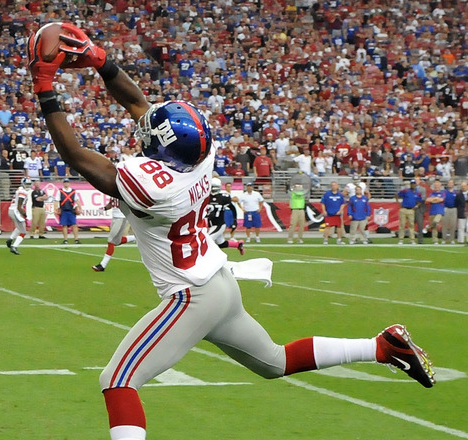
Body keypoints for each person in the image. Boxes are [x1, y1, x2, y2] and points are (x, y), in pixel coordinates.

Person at [28, 25, 434, 440]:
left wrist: (45, 85)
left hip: (191, 296)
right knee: (274, 362)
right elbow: (138, 104)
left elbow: (74, 155)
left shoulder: (153, 186)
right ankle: (382, 346)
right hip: (220, 283)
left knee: (117, 380)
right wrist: (102, 61)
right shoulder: (200, 156)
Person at [92, 196, 137, 271]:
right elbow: (111, 203)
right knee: (117, 241)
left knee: (111, 241)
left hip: (122, 217)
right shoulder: (113, 190)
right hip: (115, 217)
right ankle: (136, 237)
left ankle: (103, 265)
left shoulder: (123, 191)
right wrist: (104, 208)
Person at [206, 178, 244, 255]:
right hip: (211, 224)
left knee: (207, 240)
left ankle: (212, 258)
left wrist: (234, 220)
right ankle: (238, 244)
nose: (213, 189)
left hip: (219, 224)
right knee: (221, 243)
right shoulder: (206, 197)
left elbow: (232, 208)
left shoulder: (223, 197)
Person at [6, 177, 30, 255]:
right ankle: (14, 246)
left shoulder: (19, 190)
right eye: (27, 184)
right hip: (16, 211)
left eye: (29, 184)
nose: (28, 185)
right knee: (23, 231)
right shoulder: (23, 192)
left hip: (12, 210)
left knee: (19, 227)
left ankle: (10, 239)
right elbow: (19, 206)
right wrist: (24, 214)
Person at [395, 180, 423, 245]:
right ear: (410, 184)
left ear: (415, 185)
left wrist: (416, 206)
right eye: (412, 184)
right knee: (402, 224)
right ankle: (401, 239)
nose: (413, 185)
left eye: (414, 184)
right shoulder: (406, 191)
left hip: (411, 210)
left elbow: (420, 201)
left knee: (411, 225)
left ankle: (412, 240)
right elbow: (397, 195)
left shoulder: (417, 193)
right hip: (404, 209)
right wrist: (398, 203)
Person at [55, 178, 81, 244]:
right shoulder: (60, 191)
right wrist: (55, 208)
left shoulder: (73, 191)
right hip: (63, 209)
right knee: (64, 225)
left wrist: (80, 208)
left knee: (74, 224)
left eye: (67, 182)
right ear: (63, 183)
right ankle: (65, 239)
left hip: (71, 210)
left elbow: (77, 200)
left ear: (69, 183)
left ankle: (76, 239)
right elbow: (57, 200)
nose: (66, 183)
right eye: (65, 182)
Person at [425, 180, 446, 244]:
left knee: (435, 221)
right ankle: (435, 240)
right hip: (432, 211)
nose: (436, 187)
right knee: (434, 227)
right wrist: (436, 199)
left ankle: (428, 227)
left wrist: (433, 200)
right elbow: (428, 200)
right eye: (435, 186)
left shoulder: (443, 193)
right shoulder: (432, 193)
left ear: (440, 186)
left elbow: (441, 199)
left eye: (437, 185)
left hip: (439, 211)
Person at [441, 180, 458, 244]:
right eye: (449, 183)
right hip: (446, 208)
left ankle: (452, 239)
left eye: (451, 183)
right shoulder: (444, 192)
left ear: (453, 184)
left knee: (453, 225)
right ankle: (444, 239)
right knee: (445, 224)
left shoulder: (456, 192)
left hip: (453, 209)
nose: (450, 184)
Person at [457, 181, 468, 245]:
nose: (463, 187)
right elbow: (456, 204)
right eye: (462, 186)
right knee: (461, 227)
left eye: (464, 186)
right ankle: (461, 240)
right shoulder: (459, 195)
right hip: (461, 212)